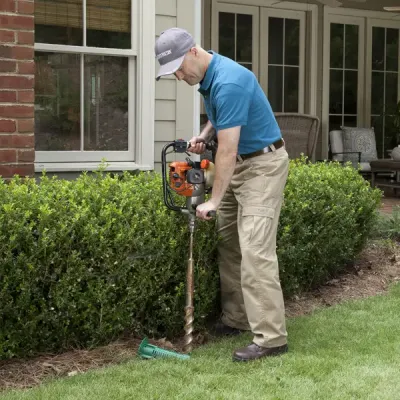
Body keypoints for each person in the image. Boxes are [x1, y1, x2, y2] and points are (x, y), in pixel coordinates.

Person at [155, 27, 290, 362]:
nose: (178, 76)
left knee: (256, 249)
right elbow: (220, 122)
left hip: (261, 165)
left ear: (192, 52)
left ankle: (271, 338)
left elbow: (227, 152)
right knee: (229, 241)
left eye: (177, 69)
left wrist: (214, 200)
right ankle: (238, 317)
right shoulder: (209, 78)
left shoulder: (229, 81)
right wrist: (202, 135)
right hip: (237, 166)